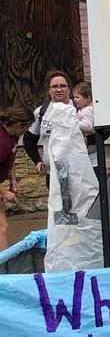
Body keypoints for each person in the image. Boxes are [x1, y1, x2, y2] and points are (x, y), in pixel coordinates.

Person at [22, 69, 75, 179]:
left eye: (63, 86)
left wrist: (89, 140)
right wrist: (37, 161)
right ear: (49, 90)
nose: (59, 90)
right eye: (55, 87)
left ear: (69, 89)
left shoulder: (79, 109)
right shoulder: (41, 112)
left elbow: (104, 132)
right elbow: (28, 139)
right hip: (52, 175)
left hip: (78, 174)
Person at [0, 104, 34, 252]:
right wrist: (4, 193)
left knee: (2, 226)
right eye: (26, 128)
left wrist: (13, 180)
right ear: (20, 124)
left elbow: (10, 159)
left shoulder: (12, 136)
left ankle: (3, 266)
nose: (26, 131)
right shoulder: (1, 141)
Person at [72, 81, 97, 166]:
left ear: (88, 98)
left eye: (77, 97)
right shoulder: (82, 110)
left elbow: (88, 126)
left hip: (91, 146)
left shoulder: (88, 110)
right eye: (74, 97)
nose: (74, 100)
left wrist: (73, 123)